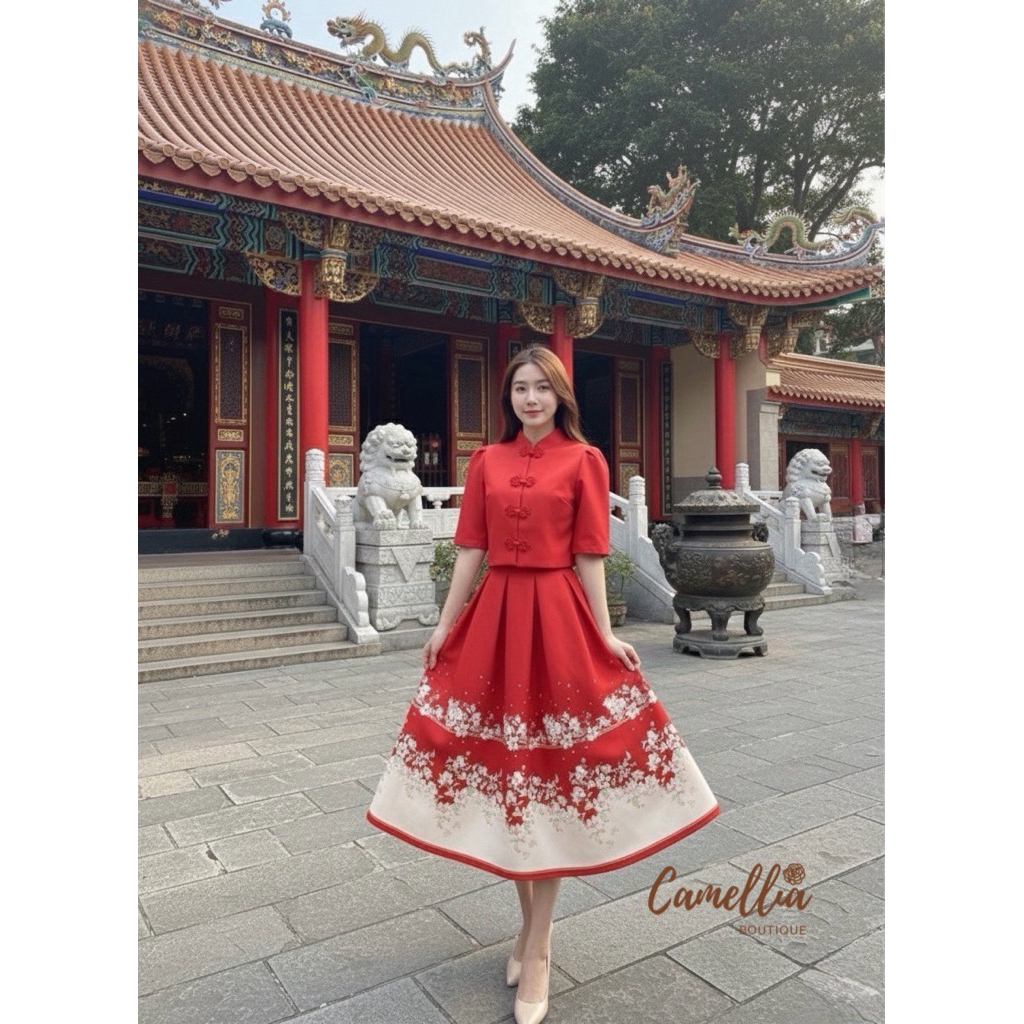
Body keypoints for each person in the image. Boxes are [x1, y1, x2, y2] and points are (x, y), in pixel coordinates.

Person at [367, 345, 719, 1024]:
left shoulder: (585, 461)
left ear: (560, 396)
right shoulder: (486, 461)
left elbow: (590, 553)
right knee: (512, 780)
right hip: (494, 622)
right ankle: (531, 933)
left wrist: (605, 632)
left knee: (552, 777)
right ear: (509, 398)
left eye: (542, 389)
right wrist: (445, 625)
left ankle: (538, 948)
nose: (531, 399)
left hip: (558, 618)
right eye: (520, 389)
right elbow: (471, 549)